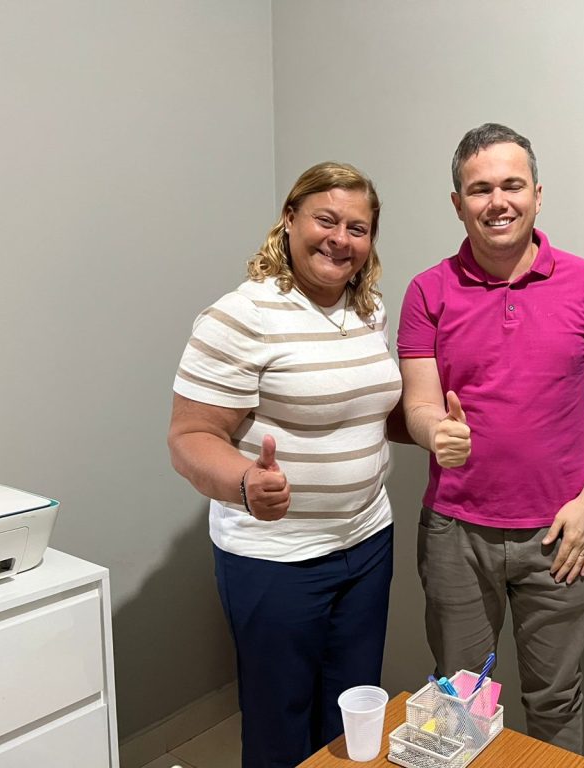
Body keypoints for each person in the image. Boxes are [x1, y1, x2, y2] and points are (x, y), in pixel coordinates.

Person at [167, 162, 402, 767]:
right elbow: (190, 436)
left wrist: (436, 427)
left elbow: (367, 410)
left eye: (358, 228)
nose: (340, 239)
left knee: (352, 721)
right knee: (281, 725)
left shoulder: (369, 309)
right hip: (277, 559)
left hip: (367, 543)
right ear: (290, 219)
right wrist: (245, 482)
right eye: (326, 220)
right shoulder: (241, 316)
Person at [397, 123, 584, 753]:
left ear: (537, 195)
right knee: (457, 698)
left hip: (561, 531)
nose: (498, 201)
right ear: (457, 203)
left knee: (556, 699)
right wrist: (435, 432)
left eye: (512, 185)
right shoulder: (428, 291)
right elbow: (418, 402)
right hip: (456, 532)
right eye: (480, 189)